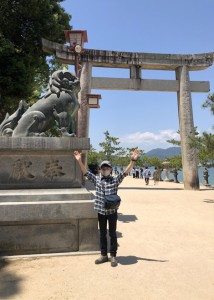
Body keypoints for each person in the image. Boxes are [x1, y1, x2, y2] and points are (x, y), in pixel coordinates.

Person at [73, 148, 140, 267]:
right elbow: (85, 172)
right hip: (101, 211)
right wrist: (79, 161)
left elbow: (125, 172)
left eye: (107, 168)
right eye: (103, 168)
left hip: (112, 211)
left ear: (110, 169)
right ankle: (104, 255)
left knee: (112, 233)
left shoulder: (115, 180)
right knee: (102, 233)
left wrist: (132, 160)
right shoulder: (97, 179)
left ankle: (113, 255)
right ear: (100, 169)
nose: (105, 170)